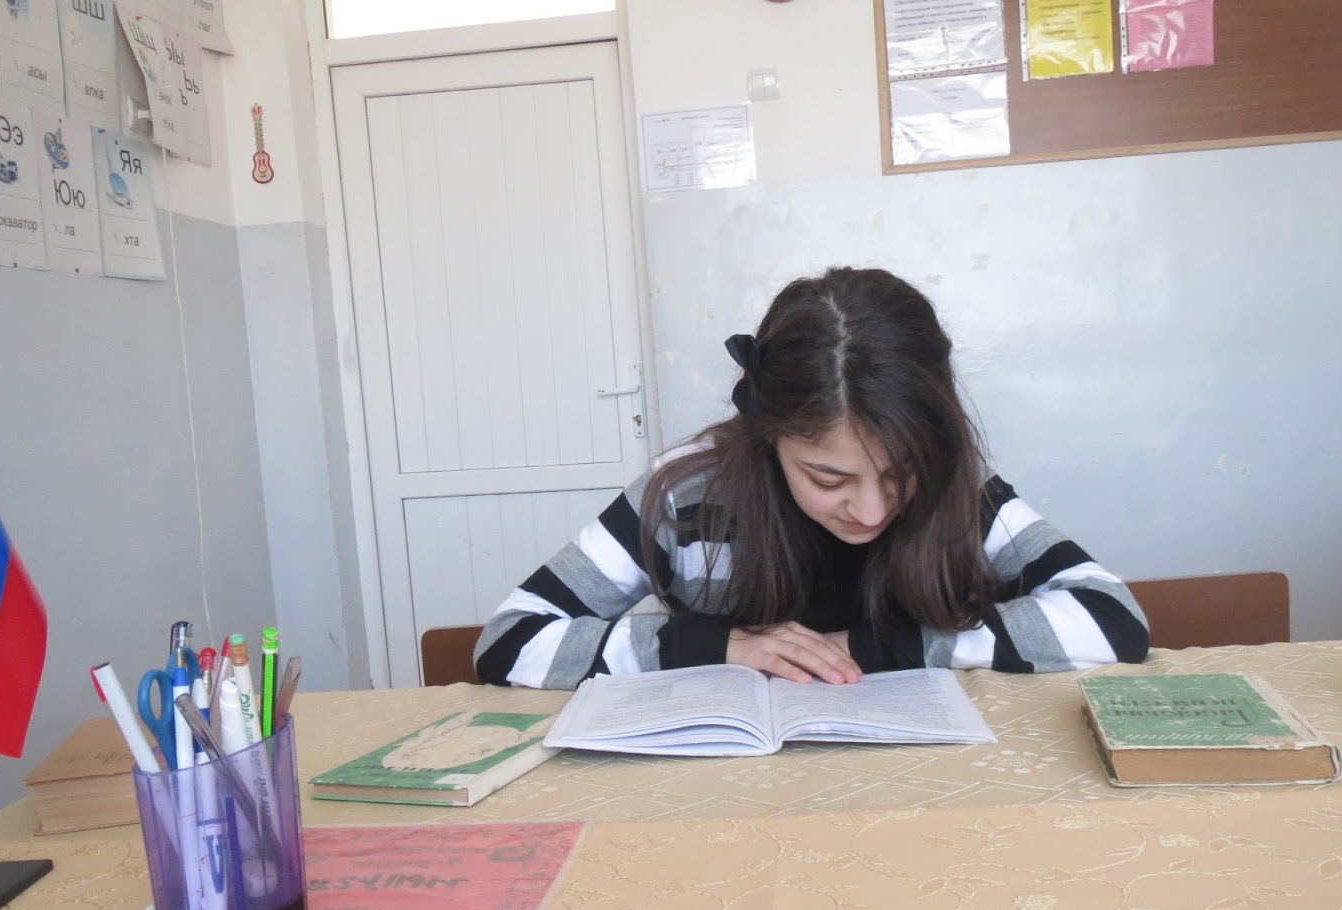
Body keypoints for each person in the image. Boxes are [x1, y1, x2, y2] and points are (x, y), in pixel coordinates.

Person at [475, 267, 1148, 689]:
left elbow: (1113, 618)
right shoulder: (687, 495)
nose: (872, 510)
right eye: (828, 478)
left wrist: (880, 647)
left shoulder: (958, 486)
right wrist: (717, 647)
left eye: (901, 472)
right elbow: (510, 639)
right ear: (769, 438)